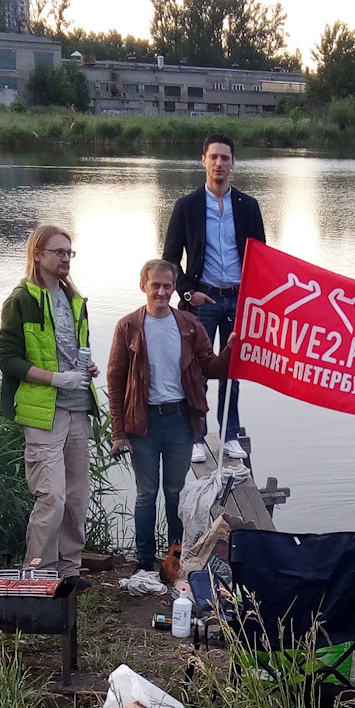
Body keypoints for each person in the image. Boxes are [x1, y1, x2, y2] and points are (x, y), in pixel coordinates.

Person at [106, 258, 234, 575]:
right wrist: (118, 433)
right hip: (142, 423)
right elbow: (115, 380)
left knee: (176, 494)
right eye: (155, 286)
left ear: (174, 288)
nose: (161, 292)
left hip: (179, 421)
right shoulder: (128, 327)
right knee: (147, 493)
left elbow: (212, 368)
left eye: (167, 286)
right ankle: (144, 561)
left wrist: (232, 349)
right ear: (143, 287)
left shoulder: (190, 325)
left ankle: (173, 559)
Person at [0, 223, 98, 581]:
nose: (65, 259)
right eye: (58, 252)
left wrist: (86, 368)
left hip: (78, 408)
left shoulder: (75, 299)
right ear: (37, 254)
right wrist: (55, 379)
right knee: (51, 497)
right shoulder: (20, 300)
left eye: (69, 253)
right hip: (44, 413)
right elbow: (7, 360)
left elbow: (70, 350)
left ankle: (70, 572)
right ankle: (38, 574)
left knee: (76, 498)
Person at [163, 132, 266, 462]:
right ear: (203, 161)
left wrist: (258, 300)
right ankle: (197, 435)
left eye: (225, 157)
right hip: (202, 299)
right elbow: (169, 260)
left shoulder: (248, 206)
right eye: (214, 157)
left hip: (239, 299)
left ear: (233, 163)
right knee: (198, 370)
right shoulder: (187, 206)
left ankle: (230, 432)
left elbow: (263, 257)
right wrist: (187, 293)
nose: (219, 163)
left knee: (234, 370)